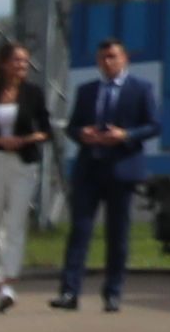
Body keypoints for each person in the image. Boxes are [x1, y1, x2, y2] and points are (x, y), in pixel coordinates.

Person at [52, 38, 157, 313]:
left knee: (117, 235)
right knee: (80, 231)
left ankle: (112, 293)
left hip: (121, 170)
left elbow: (154, 125)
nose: (107, 62)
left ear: (124, 60)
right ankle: (69, 292)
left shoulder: (140, 89)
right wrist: (82, 134)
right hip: (90, 169)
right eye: (102, 58)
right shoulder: (87, 91)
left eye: (112, 57)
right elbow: (72, 126)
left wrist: (125, 135)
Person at [0, 45, 48, 311]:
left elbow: (45, 131)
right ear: (3, 64)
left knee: (15, 223)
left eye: (25, 61)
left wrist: (25, 139)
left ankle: (8, 283)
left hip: (23, 165)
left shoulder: (34, 94)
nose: (22, 65)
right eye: (17, 60)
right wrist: (0, 140)